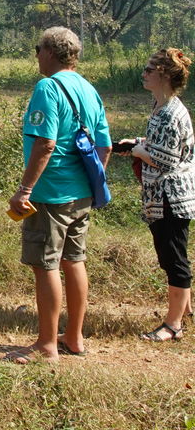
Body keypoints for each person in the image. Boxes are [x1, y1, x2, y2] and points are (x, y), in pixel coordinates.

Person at [7, 27, 112, 363]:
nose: (36, 54)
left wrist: (25, 189)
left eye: (38, 48)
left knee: (45, 264)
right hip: (81, 194)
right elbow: (104, 145)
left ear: (50, 52)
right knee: (74, 260)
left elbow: (46, 142)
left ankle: (47, 344)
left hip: (50, 194)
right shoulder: (88, 88)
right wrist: (90, 183)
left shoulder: (48, 87)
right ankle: (75, 337)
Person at [116, 48, 195, 341]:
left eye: (149, 70)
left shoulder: (171, 112)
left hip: (171, 198)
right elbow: (160, 145)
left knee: (174, 259)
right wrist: (137, 143)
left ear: (163, 76)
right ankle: (184, 311)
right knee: (169, 256)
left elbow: (165, 160)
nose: (144, 73)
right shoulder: (160, 106)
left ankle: (173, 326)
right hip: (161, 197)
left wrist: (138, 150)